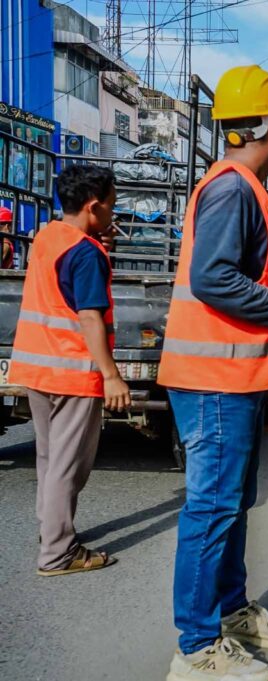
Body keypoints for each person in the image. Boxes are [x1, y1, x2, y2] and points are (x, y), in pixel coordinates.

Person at [158, 65, 268, 681]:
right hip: (215, 381)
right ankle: (197, 648)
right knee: (213, 509)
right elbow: (213, 279)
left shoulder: (239, 186)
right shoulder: (233, 189)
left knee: (231, 504)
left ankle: (229, 614)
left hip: (234, 380)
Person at [9, 164, 130, 576]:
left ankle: (52, 533)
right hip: (73, 373)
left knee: (49, 459)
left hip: (39, 369)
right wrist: (111, 374)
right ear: (94, 207)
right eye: (110, 208)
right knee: (68, 466)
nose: (113, 216)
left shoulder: (47, 237)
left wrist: (99, 244)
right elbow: (89, 317)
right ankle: (58, 553)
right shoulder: (85, 254)